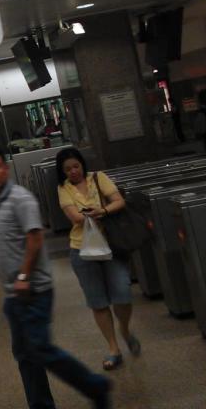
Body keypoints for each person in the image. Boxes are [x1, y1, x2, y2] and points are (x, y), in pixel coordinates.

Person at [0, 145, 111, 409]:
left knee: (40, 350)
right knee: (26, 355)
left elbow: (34, 238)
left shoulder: (20, 198)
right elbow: (5, 232)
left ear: (4, 168)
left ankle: (95, 386)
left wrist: (24, 275)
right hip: (14, 292)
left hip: (33, 289)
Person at [55, 148, 140, 371]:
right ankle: (114, 349)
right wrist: (87, 214)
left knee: (122, 292)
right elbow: (74, 217)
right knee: (98, 302)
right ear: (62, 172)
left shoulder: (98, 177)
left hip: (111, 245)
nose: (73, 171)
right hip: (81, 250)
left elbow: (118, 201)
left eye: (75, 166)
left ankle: (125, 328)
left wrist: (102, 211)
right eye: (67, 169)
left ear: (82, 164)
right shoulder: (63, 189)